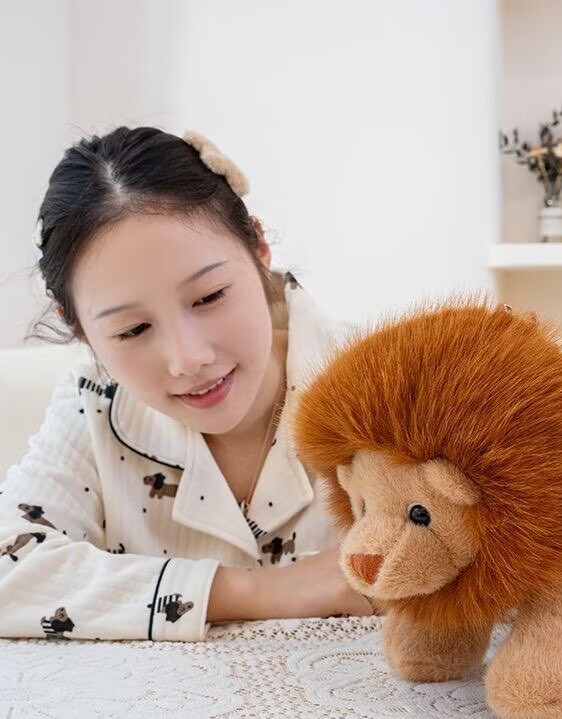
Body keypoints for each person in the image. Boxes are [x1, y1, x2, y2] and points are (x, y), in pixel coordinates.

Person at [0, 126, 374, 643]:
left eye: (209, 296)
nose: (188, 359)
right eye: (132, 330)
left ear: (260, 248)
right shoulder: (94, 409)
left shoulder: (388, 377)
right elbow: (8, 567)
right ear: (78, 327)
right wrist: (264, 592)